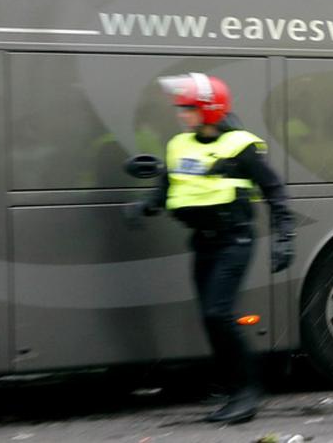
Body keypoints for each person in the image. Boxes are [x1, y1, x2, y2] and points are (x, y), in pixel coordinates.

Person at [125, 73, 295, 425]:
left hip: (234, 240)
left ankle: (246, 393)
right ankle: (233, 387)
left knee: (218, 313)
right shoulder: (178, 145)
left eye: (188, 108)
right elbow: (168, 184)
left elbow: (274, 190)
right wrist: (145, 205)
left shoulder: (240, 147)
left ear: (209, 110)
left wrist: (284, 237)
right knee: (210, 317)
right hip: (203, 242)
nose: (180, 114)